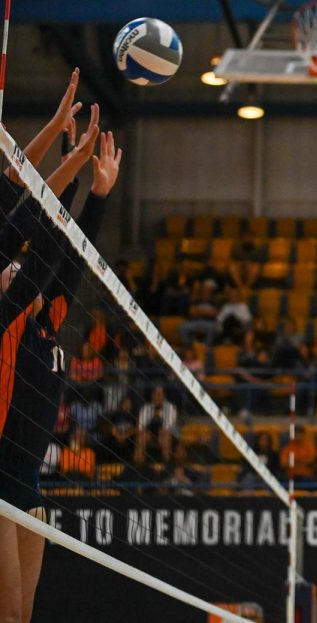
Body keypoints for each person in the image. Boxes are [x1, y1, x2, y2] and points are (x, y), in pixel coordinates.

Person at [0, 85, 115, 623]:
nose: (16, 269)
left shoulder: (46, 321)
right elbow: (44, 243)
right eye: (11, 268)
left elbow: (69, 256)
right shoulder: (8, 320)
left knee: (24, 616)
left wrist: (99, 194)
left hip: (32, 486)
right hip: (0, 481)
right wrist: (69, 166)